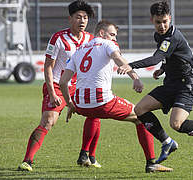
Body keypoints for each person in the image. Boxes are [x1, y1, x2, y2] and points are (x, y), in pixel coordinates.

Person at [59, 19, 173, 173]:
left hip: (81, 105)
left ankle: (84, 154)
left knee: (92, 116)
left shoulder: (79, 50)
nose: (115, 39)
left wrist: (70, 104)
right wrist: (136, 79)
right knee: (141, 115)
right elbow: (120, 60)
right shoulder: (107, 44)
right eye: (112, 35)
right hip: (102, 102)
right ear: (101, 33)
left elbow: (63, 82)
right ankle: (151, 162)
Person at [118, 1, 193, 164]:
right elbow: (170, 55)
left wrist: (130, 65)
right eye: (158, 22)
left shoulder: (172, 36)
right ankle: (167, 143)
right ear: (152, 20)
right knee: (140, 109)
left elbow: (156, 57)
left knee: (176, 124)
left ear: (170, 18)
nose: (161, 25)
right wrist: (163, 68)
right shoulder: (159, 36)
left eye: (165, 21)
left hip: (188, 84)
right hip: (171, 83)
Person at [18, 0, 95, 171]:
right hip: (57, 86)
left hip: (79, 86)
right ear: (70, 19)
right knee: (48, 121)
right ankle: (27, 161)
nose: (82, 21)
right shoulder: (58, 38)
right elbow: (48, 66)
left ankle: (87, 155)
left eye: (85, 18)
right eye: (78, 17)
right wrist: (52, 93)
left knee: (96, 113)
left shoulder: (90, 39)